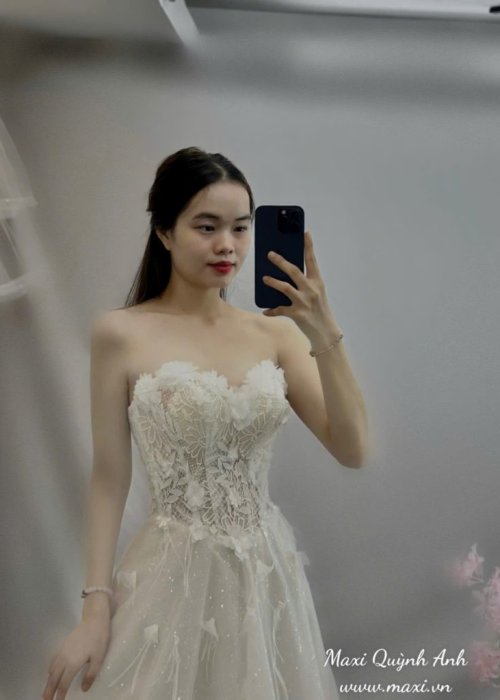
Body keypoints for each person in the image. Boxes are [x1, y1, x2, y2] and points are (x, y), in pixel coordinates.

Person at [42, 146, 368, 700]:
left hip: (265, 574)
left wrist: (323, 328)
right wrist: (95, 609)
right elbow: (109, 478)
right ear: (164, 232)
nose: (227, 245)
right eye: (206, 226)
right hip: (170, 572)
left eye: (240, 227)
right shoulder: (120, 333)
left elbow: (352, 449)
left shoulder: (277, 334)